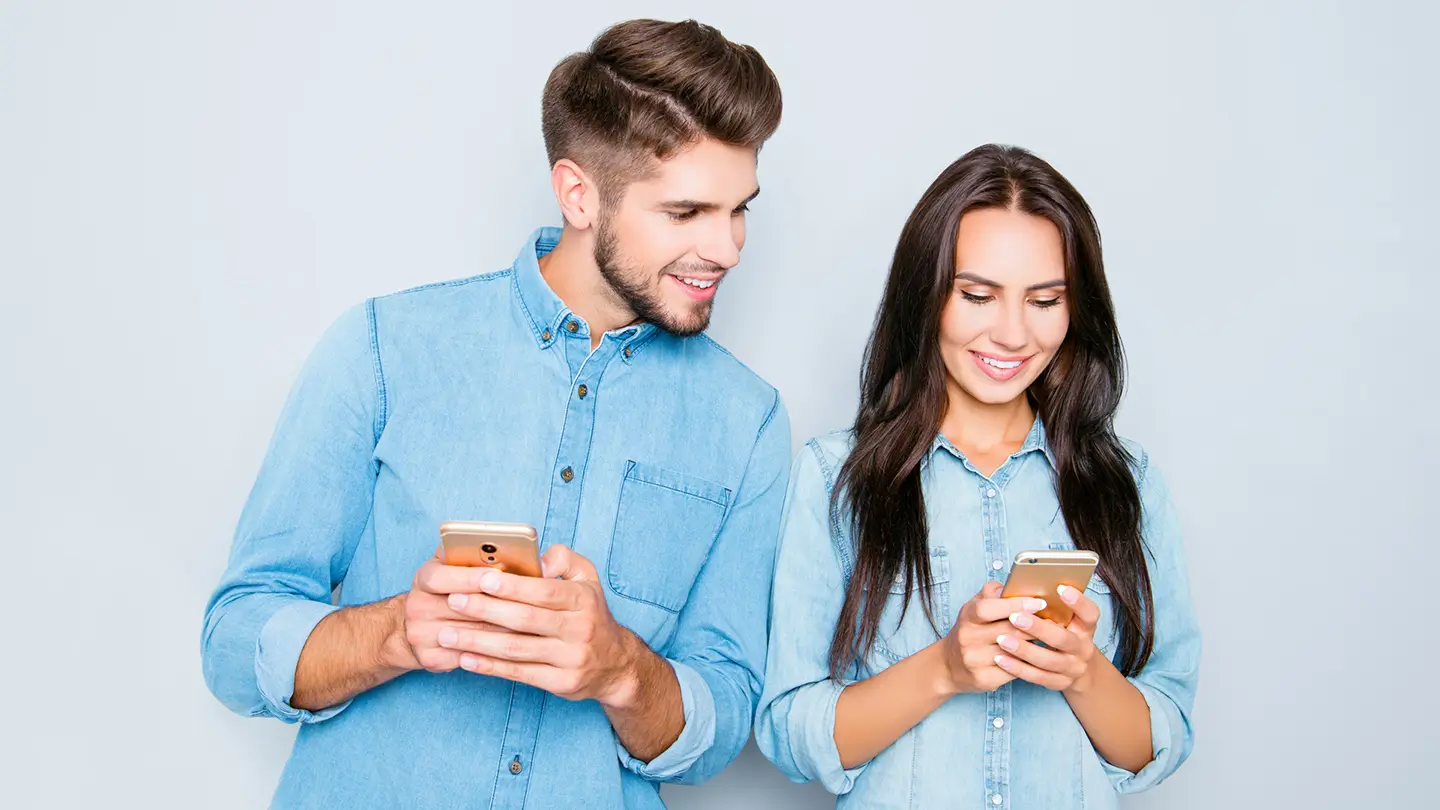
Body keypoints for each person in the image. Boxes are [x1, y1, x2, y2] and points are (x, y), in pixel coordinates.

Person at [201, 19, 789, 809]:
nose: (727, 248)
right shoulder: (383, 350)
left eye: (738, 209)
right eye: (687, 214)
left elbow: (721, 719)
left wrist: (621, 668)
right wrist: (396, 633)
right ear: (579, 194)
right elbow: (235, 641)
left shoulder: (747, 424)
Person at [754, 144, 1200, 809]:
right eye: (978, 295)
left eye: (1045, 300)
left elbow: (1161, 740)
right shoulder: (836, 476)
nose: (1014, 334)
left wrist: (1082, 674)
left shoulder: (1126, 482)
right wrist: (944, 669)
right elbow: (790, 732)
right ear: (927, 295)